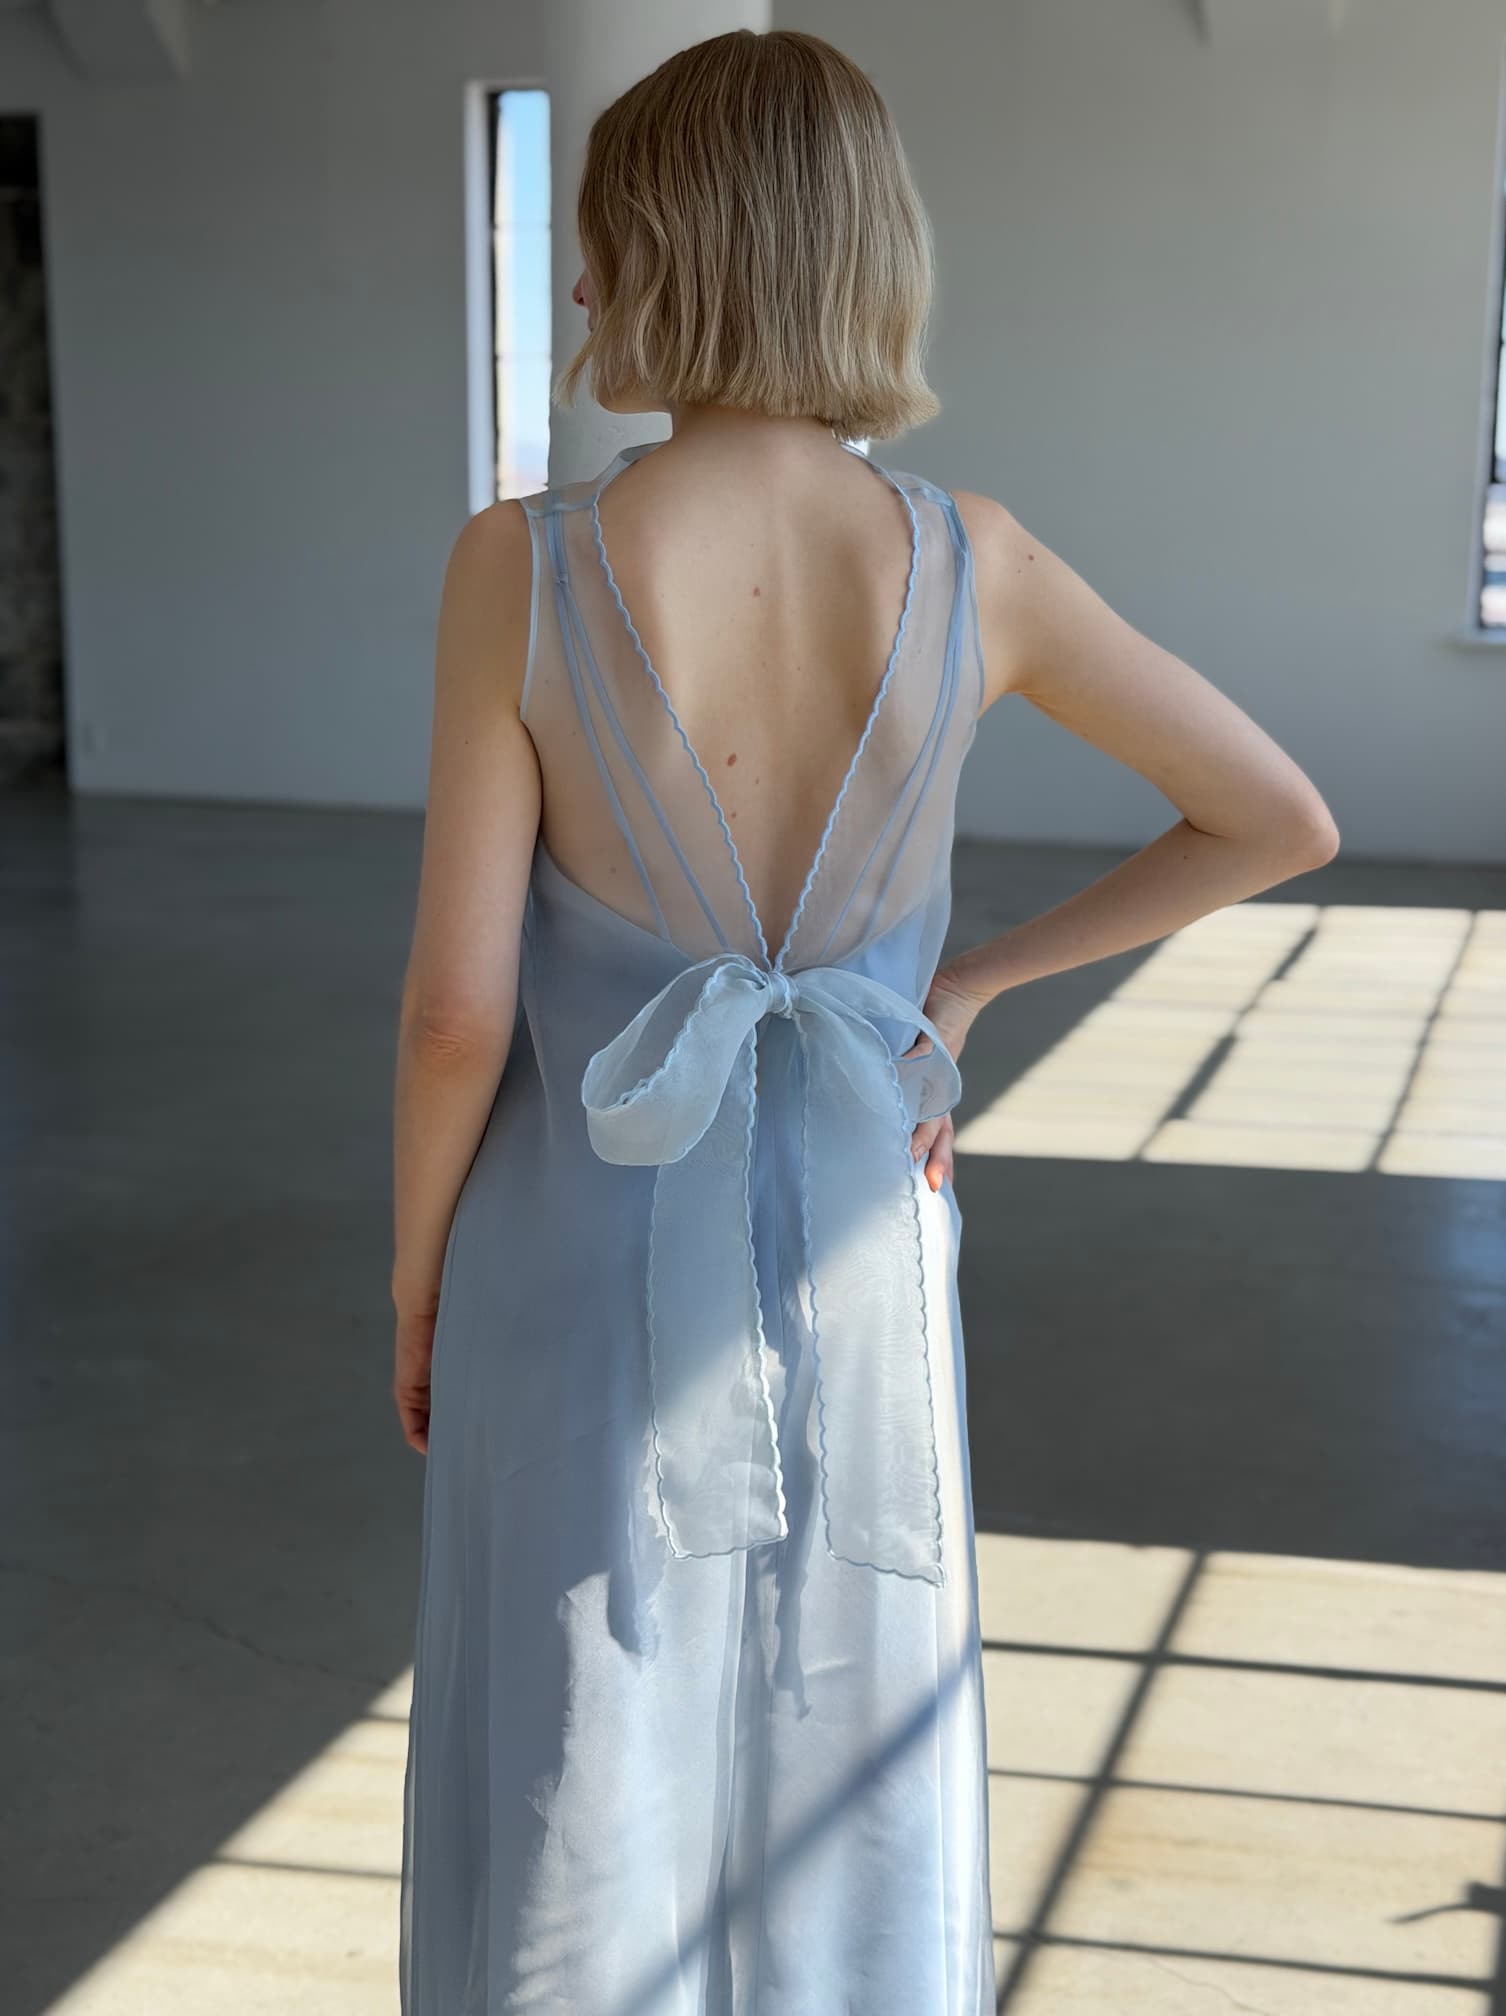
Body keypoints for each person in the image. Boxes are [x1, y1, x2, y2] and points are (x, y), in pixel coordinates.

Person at [391, 28, 1337, 2016]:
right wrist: (963, 985)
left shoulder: (527, 565)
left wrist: (415, 1283)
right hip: (856, 1245)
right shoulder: (968, 562)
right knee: (848, 1699)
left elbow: (457, 1013)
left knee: (581, 1717)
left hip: (569, 1259)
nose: (575, 286)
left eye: (597, 238)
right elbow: (1279, 816)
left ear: (671, 249)